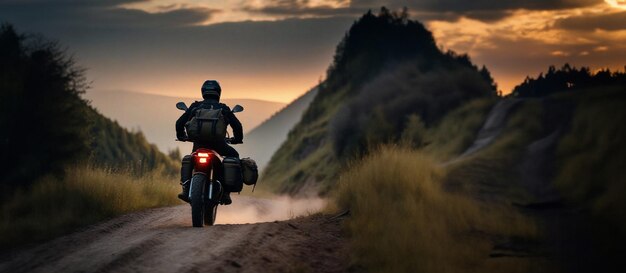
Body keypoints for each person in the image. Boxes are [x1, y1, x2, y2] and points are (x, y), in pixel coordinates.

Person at [175, 80, 243, 205]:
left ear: (203, 92)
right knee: (234, 156)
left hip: (199, 145)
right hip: (219, 145)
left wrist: (181, 136)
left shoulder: (195, 106)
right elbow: (237, 126)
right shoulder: (223, 108)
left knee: (189, 159)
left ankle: (185, 189)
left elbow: (179, 123)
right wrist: (237, 139)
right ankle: (226, 193)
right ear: (218, 93)